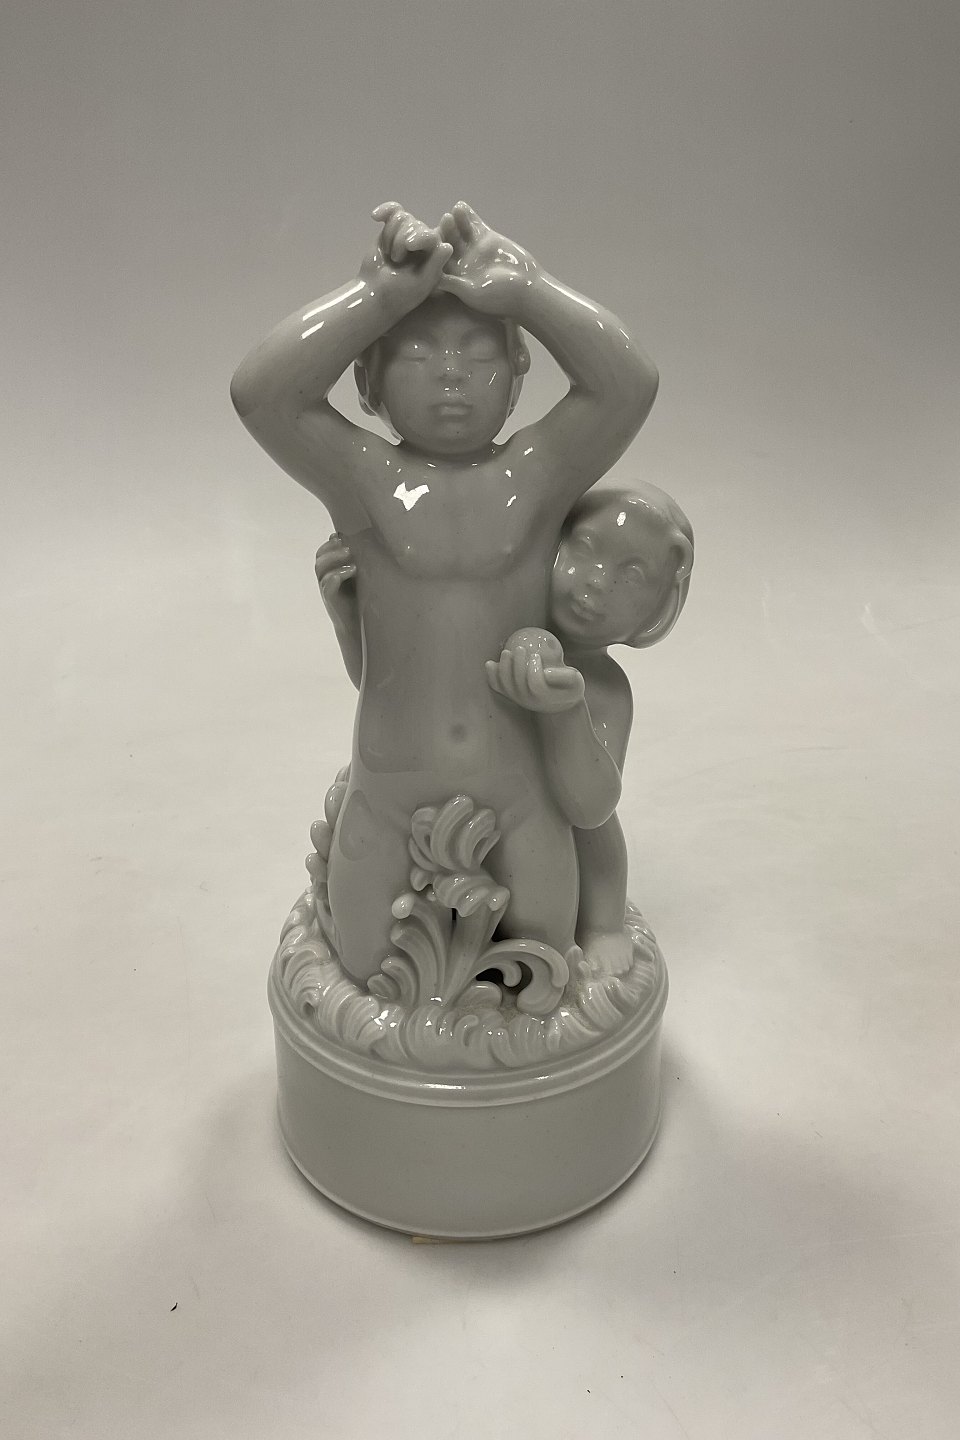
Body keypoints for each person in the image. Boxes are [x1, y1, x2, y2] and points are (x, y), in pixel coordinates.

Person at [232, 202, 659, 984]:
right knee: (365, 971)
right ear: (367, 382)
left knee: (547, 973)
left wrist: (530, 292)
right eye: (417, 353)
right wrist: (377, 299)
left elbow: (627, 385)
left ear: (519, 376)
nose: (452, 373)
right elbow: (262, 394)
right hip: (391, 782)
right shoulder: (364, 480)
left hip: (520, 790)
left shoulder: (536, 475)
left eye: (479, 353)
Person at [316, 484, 693, 976]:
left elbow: (590, 805)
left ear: (660, 606)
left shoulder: (604, 689)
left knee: (595, 834)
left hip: (547, 824)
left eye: (634, 575)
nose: (597, 582)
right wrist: (349, 618)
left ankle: (602, 926)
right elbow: (392, 692)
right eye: (583, 548)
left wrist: (564, 715)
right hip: (453, 810)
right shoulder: (488, 629)